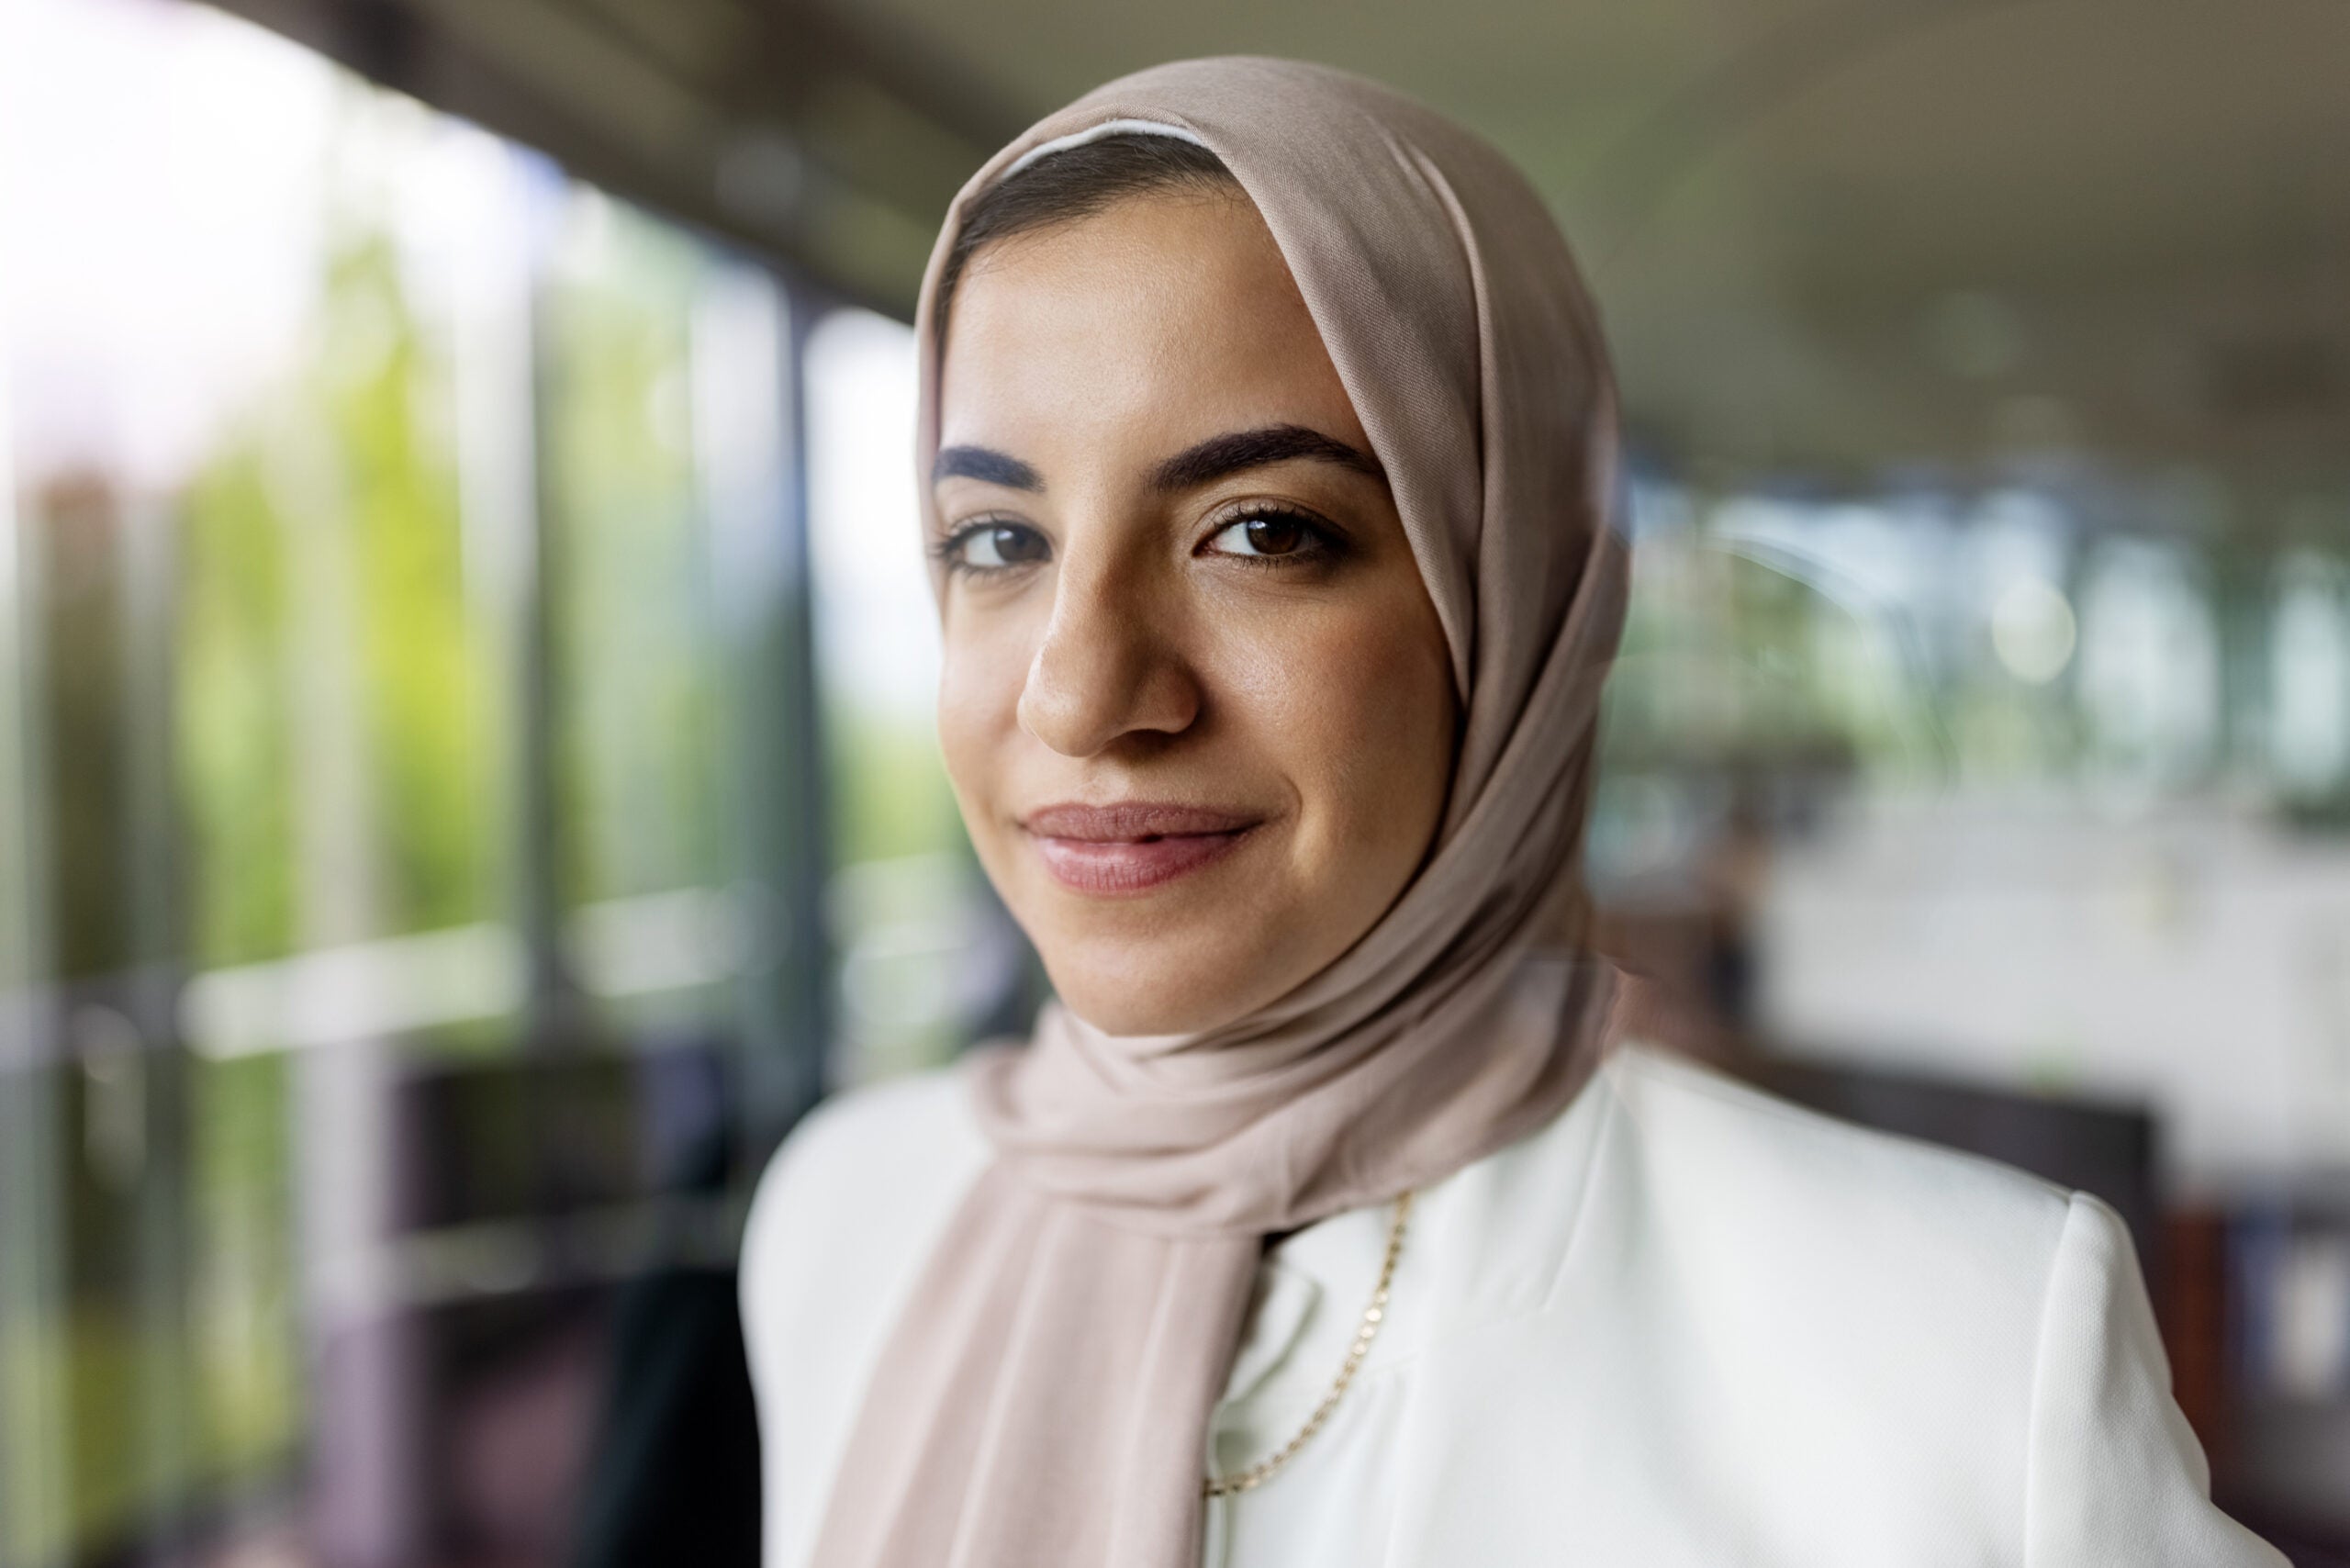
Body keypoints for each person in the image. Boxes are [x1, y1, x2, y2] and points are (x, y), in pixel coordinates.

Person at [740, 56, 2285, 1568]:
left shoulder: (1964, 1347)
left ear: (1520, 599)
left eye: (1261, 532)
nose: (1081, 696)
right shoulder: (848, 1217)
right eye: (999, 539)